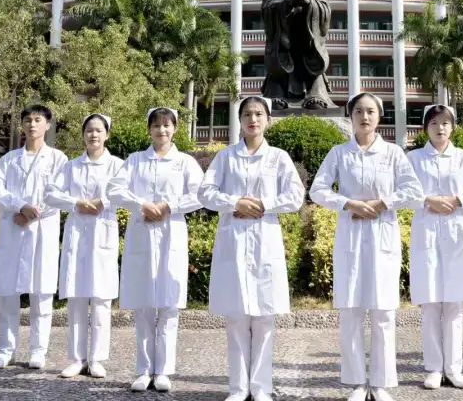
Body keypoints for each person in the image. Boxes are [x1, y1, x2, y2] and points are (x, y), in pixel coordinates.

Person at [310, 92, 425, 401]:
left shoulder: (393, 153)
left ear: (379, 116)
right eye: (359, 111)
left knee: (383, 312)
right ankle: (357, 383)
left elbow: (414, 192)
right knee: (351, 313)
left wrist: (383, 202)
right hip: (350, 236)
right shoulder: (339, 153)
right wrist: (348, 203)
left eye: (370, 111)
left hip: (382, 236)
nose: (364, 116)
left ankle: (380, 383)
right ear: (350, 116)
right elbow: (317, 190)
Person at [199, 96, 306, 401]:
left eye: (259, 114)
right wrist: (235, 202)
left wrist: (262, 205)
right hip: (233, 240)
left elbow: (295, 195)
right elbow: (205, 192)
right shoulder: (226, 157)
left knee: (264, 318)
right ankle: (237, 388)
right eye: (247, 114)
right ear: (240, 120)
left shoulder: (278, 158)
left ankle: (260, 388)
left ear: (268, 119)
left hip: (264, 239)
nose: (253, 119)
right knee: (236, 318)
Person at [107, 107, 204, 393]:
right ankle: (143, 369)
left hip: (171, 233)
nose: (162, 130)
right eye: (156, 125)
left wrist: (169, 206)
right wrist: (142, 205)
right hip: (142, 233)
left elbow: (200, 194)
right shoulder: (135, 160)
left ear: (175, 129)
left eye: (166, 125)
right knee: (144, 306)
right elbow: (115, 190)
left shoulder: (185, 162)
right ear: (149, 129)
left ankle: (163, 371)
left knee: (169, 305)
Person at [407, 105, 463, 390]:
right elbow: (400, 193)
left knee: (454, 304)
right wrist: (427, 200)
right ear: (425, 128)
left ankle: (454, 368)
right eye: (434, 123)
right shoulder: (413, 159)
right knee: (431, 303)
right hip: (427, 231)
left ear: (453, 127)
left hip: (456, 232)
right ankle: (433, 368)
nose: (440, 128)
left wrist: (459, 200)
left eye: (445, 123)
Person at [0, 104, 69, 370]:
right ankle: (5, 350)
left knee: (41, 293)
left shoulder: (58, 159)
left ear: (48, 125)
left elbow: (60, 195)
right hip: (13, 229)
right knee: (7, 293)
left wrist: (32, 214)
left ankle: (38, 351)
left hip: (42, 229)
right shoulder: (9, 159)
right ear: (22, 125)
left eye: (38, 120)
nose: (32, 125)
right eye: (28, 120)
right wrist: (19, 206)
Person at [44, 113, 124, 378]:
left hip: (103, 231)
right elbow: (50, 194)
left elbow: (125, 193)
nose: (94, 135)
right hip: (77, 233)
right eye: (89, 130)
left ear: (107, 135)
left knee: (101, 299)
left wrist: (103, 202)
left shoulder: (117, 165)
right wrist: (76, 203)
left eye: (99, 130)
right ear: (83, 135)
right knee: (77, 298)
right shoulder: (71, 167)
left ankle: (97, 358)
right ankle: (77, 358)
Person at [260, 0, 337, 110]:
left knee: (312, 61)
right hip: (284, 38)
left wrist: (309, 3)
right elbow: (266, 7)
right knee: (279, 64)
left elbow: (325, 9)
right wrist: (284, 3)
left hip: (307, 38)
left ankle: (315, 95)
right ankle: (277, 95)